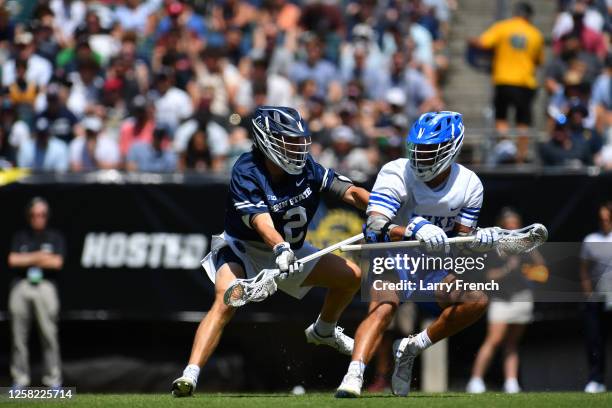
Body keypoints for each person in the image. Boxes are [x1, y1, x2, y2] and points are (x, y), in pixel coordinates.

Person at [171, 106, 370, 397]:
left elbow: (350, 192)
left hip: (293, 249)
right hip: (244, 248)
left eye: (299, 141)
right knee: (225, 302)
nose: (297, 148)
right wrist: (279, 247)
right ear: (267, 140)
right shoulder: (246, 170)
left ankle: (324, 329)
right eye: (289, 141)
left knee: (351, 276)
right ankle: (190, 375)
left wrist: (378, 209)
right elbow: (260, 220)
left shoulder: (308, 168)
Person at [335, 111, 492, 397]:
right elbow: (374, 227)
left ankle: (412, 347)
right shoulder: (396, 170)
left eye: (430, 150)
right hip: (393, 254)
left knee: (477, 300)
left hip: (433, 264)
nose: (420, 156)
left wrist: (480, 241)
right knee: (383, 308)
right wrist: (412, 230)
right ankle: (354, 375)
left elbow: (460, 243)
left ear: (451, 149)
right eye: (417, 149)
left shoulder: (470, 185)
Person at [466, 208, 545, 394]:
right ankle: (475, 380)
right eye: (509, 225)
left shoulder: (526, 246)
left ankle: (511, 383)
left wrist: (532, 245)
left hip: (522, 297)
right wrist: (508, 269)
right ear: (502, 226)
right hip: (501, 299)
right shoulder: (493, 247)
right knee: (494, 339)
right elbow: (488, 276)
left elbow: (541, 269)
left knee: (512, 344)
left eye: (516, 225)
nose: (513, 228)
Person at [469, 2, 544, 163]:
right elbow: (539, 61)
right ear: (529, 17)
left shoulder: (502, 27)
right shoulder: (535, 34)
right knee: (523, 122)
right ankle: (520, 158)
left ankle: (505, 149)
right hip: (525, 82)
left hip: (503, 80)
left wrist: (471, 42)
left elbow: (482, 43)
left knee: (501, 117)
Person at [8, 197, 65, 388]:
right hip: (22, 284)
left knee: (49, 334)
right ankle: (20, 379)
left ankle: (53, 380)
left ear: (47, 216)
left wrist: (28, 259)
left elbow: (57, 262)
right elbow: (13, 260)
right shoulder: (21, 236)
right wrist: (40, 256)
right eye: (34, 214)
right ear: (29, 216)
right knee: (18, 336)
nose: (38, 218)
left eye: (42, 214)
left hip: (45, 285)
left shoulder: (54, 236)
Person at [579, 201, 612, 393]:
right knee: (595, 340)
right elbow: (584, 270)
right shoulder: (590, 239)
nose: (604, 222)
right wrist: (588, 293)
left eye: (607, 218)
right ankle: (596, 379)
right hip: (598, 299)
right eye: (602, 219)